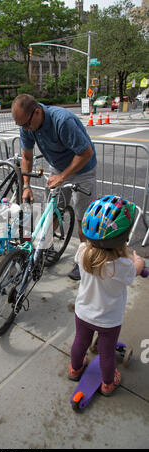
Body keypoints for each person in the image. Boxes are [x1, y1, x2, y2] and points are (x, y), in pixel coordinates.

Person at [12, 94, 97, 281]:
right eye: (21, 126)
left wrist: (63, 176)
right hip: (58, 167)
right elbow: (27, 157)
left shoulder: (62, 121)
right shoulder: (26, 125)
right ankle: (45, 246)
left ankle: (83, 261)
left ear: (37, 112)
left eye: (26, 124)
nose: (24, 129)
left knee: (85, 222)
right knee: (50, 212)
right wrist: (26, 185)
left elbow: (86, 153)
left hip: (82, 169)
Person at [68, 195, 145, 396]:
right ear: (123, 238)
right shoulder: (123, 265)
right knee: (107, 353)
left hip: (83, 313)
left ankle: (75, 368)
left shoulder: (83, 251)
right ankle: (108, 384)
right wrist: (139, 262)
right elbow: (135, 270)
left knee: (80, 342)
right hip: (109, 320)